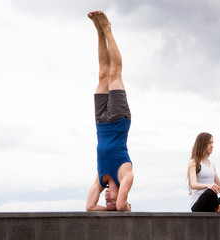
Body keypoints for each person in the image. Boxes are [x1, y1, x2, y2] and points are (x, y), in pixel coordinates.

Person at [86, 11, 134, 212]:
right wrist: (118, 207)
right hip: (118, 120)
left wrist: (108, 209)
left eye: (107, 202)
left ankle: (98, 32)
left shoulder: (101, 178)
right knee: (115, 73)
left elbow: (89, 207)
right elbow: (122, 206)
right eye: (111, 200)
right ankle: (107, 28)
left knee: (102, 74)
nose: (107, 199)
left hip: (101, 123)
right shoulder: (126, 175)